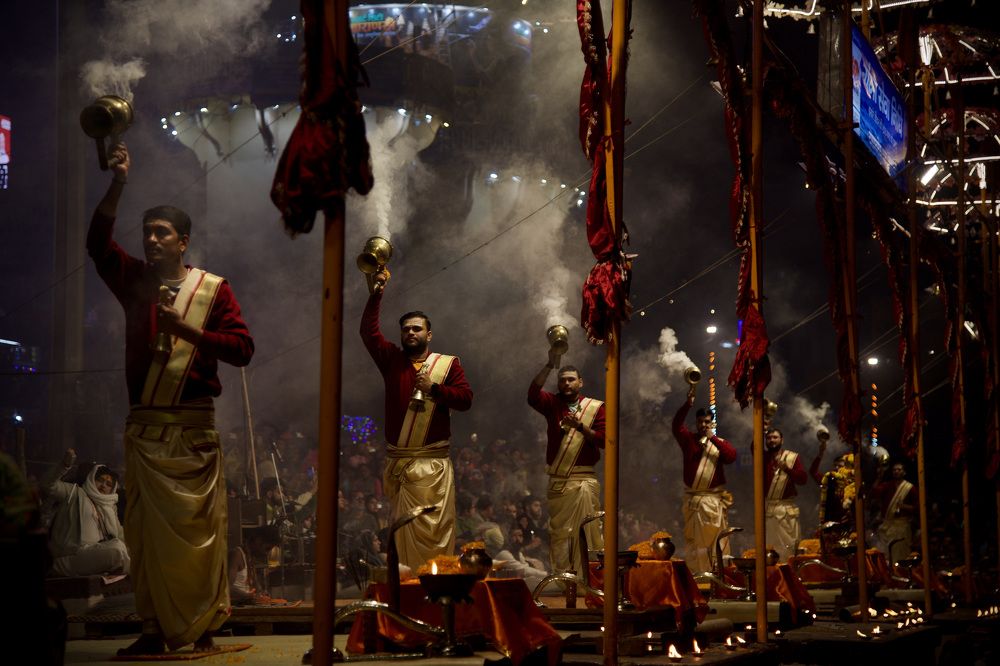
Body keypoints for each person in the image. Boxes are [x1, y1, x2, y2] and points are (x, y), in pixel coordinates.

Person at [87, 143, 254, 655]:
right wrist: (117, 182)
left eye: (162, 233)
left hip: (194, 432)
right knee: (147, 539)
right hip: (147, 429)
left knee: (200, 540)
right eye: (147, 233)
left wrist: (189, 330)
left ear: (183, 241)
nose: (151, 239)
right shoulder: (134, 279)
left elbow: (244, 349)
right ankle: (155, 629)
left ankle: (201, 627)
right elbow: (97, 243)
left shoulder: (213, 291)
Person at [360, 268, 473, 571]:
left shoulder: (448, 365)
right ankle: (408, 590)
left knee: (438, 533)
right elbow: (368, 334)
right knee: (405, 533)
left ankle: (437, 588)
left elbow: (466, 400)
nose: (411, 333)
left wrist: (434, 389)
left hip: (434, 467)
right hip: (402, 466)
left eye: (417, 329)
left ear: (428, 334)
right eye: (406, 329)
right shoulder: (392, 361)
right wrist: (377, 292)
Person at [528, 347, 605, 576]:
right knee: (562, 532)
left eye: (571, 380)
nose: (567, 384)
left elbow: (603, 440)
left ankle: (588, 580)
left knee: (588, 531)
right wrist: (550, 364)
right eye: (563, 380)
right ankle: (564, 579)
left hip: (584, 480)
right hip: (560, 481)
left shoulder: (596, 408)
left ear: (580, 382)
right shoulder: (552, 403)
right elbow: (532, 394)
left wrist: (580, 427)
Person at [672, 390, 736, 573]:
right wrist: (688, 404)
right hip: (694, 503)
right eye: (700, 421)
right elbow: (676, 425)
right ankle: (698, 576)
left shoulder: (719, 443)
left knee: (718, 541)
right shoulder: (688, 440)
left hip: (714, 502)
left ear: (712, 423)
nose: (703, 425)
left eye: (707, 422)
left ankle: (719, 577)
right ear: (696, 423)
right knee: (695, 543)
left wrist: (712, 438)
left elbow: (731, 457)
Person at [42, 448, 129, 578]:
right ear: (92, 478)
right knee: (117, 553)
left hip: (95, 552)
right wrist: (64, 465)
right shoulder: (74, 493)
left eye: (108, 484)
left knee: (123, 547)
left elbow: (121, 535)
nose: (104, 485)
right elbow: (48, 485)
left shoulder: (109, 507)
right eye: (101, 480)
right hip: (70, 556)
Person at [763, 428, 807, 560]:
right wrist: (762, 428)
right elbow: (754, 447)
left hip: (787, 511)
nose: (771, 440)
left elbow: (803, 479)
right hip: (770, 510)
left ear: (782, 440)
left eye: (775, 437)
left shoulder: (792, 457)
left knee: (790, 547)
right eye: (769, 438)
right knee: (771, 548)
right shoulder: (763, 457)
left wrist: (787, 469)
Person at [873, 462, 917, 565]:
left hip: (901, 526)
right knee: (884, 555)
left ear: (904, 472)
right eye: (894, 470)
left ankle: (900, 574)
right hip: (887, 526)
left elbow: (917, 507)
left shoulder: (909, 488)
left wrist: (903, 506)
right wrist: (879, 478)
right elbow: (875, 492)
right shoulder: (887, 485)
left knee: (900, 553)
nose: (896, 471)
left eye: (899, 469)